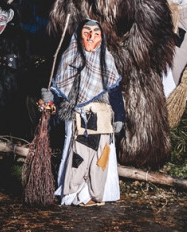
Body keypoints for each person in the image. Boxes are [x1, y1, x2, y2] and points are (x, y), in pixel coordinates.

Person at [42, 20, 125, 206]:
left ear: (101, 37)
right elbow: (60, 87)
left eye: (96, 33)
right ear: (78, 35)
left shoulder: (106, 60)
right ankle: (72, 192)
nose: (91, 36)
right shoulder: (69, 56)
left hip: (100, 116)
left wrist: (119, 116)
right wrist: (50, 98)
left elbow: (115, 90)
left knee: (100, 154)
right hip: (75, 115)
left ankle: (95, 193)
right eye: (87, 32)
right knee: (75, 153)